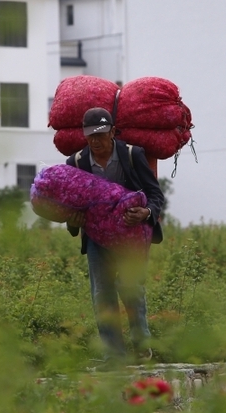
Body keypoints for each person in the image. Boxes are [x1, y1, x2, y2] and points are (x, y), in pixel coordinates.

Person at [65, 107, 164, 363]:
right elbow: (70, 205)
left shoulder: (133, 155)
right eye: (91, 136)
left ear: (112, 132)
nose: (96, 141)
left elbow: (155, 194)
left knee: (130, 287)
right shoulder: (76, 163)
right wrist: (73, 222)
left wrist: (145, 212)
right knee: (102, 293)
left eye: (101, 134)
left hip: (131, 235)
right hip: (97, 238)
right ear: (84, 136)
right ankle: (114, 355)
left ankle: (142, 346)